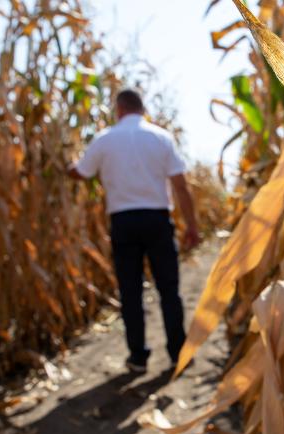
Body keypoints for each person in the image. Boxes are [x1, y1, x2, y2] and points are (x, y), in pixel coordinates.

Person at [69, 89, 201, 373]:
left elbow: (81, 172)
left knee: (130, 292)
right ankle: (179, 352)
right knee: (169, 289)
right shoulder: (160, 137)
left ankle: (138, 357)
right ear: (143, 109)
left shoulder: (104, 139)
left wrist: (64, 166)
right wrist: (192, 225)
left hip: (123, 223)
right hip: (157, 221)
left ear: (118, 110)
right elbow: (180, 185)